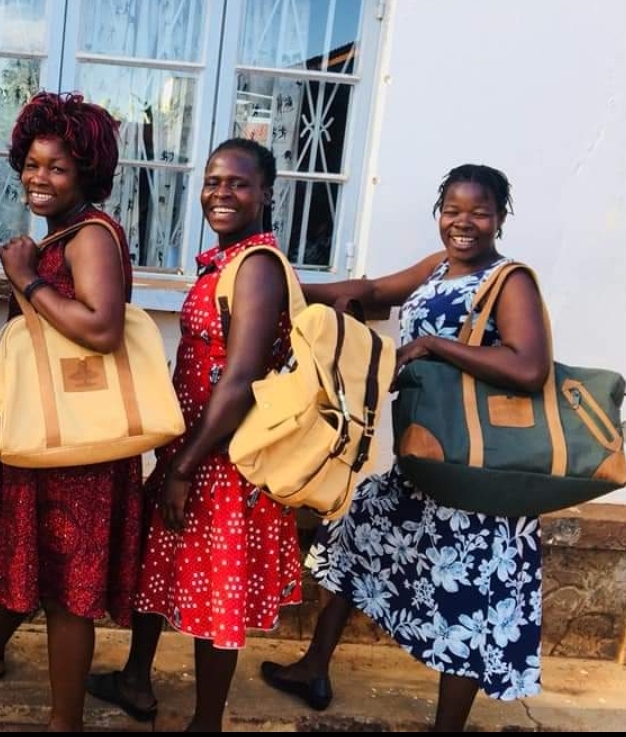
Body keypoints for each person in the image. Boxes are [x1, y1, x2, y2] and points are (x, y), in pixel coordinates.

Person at [259, 164, 549, 732]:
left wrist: (432, 345)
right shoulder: (438, 267)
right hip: (425, 460)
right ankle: (314, 667)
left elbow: (529, 366)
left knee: (469, 599)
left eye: (479, 212)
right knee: (354, 530)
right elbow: (369, 293)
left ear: (500, 218)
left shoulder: (509, 280)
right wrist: (278, 287)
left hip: (478, 475)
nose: (463, 223)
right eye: (452, 210)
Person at [85, 137, 303, 732]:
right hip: (191, 448)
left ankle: (206, 722)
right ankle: (135, 679)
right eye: (213, 182)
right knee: (160, 562)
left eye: (238, 183)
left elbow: (240, 380)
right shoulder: (227, 262)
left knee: (217, 594)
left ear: (265, 194)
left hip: (225, 459)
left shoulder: (257, 268)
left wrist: (185, 467)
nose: (221, 193)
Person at [0, 91, 144, 732]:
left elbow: (102, 328)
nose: (39, 177)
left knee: (68, 591)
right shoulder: (62, 232)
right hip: (49, 426)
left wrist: (26, 279)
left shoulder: (91, 236)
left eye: (57, 167)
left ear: (86, 172)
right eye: (32, 164)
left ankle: (65, 722)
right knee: (42, 558)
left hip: (76, 440)